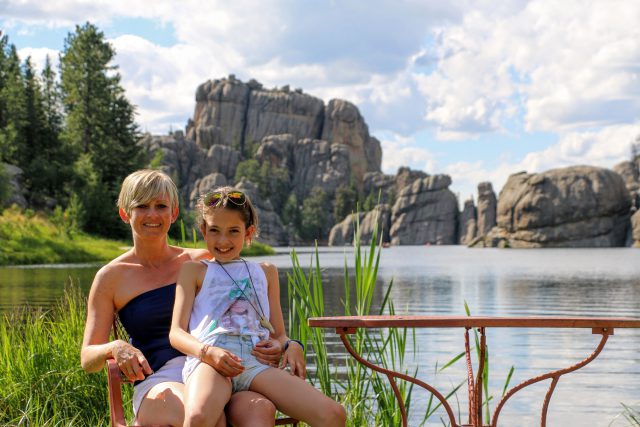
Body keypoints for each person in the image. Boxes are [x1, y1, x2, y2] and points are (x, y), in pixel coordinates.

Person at [80, 169, 283, 426]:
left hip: (215, 370)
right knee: (207, 417)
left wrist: (287, 343)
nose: (152, 214)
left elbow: (256, 297)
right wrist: (116, 346)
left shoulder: (202, 261)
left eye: (161, 206)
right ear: (124, 213)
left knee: (260, 410)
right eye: (142, 206)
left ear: (173, 213)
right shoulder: (111, 277)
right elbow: (87, 359)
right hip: (160, 380)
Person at [169, 187, 347, 427]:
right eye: (214, 231)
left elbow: (278, 334)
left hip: (255, 362)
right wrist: (207, 353)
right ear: (203, 230)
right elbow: (176, 333)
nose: (223, 241)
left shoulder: (265, 272)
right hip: (212, 360)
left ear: (248, 232)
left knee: (333, 414)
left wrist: (290, 344)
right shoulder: (194, 271)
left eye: (233, 231)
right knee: (199, 417)